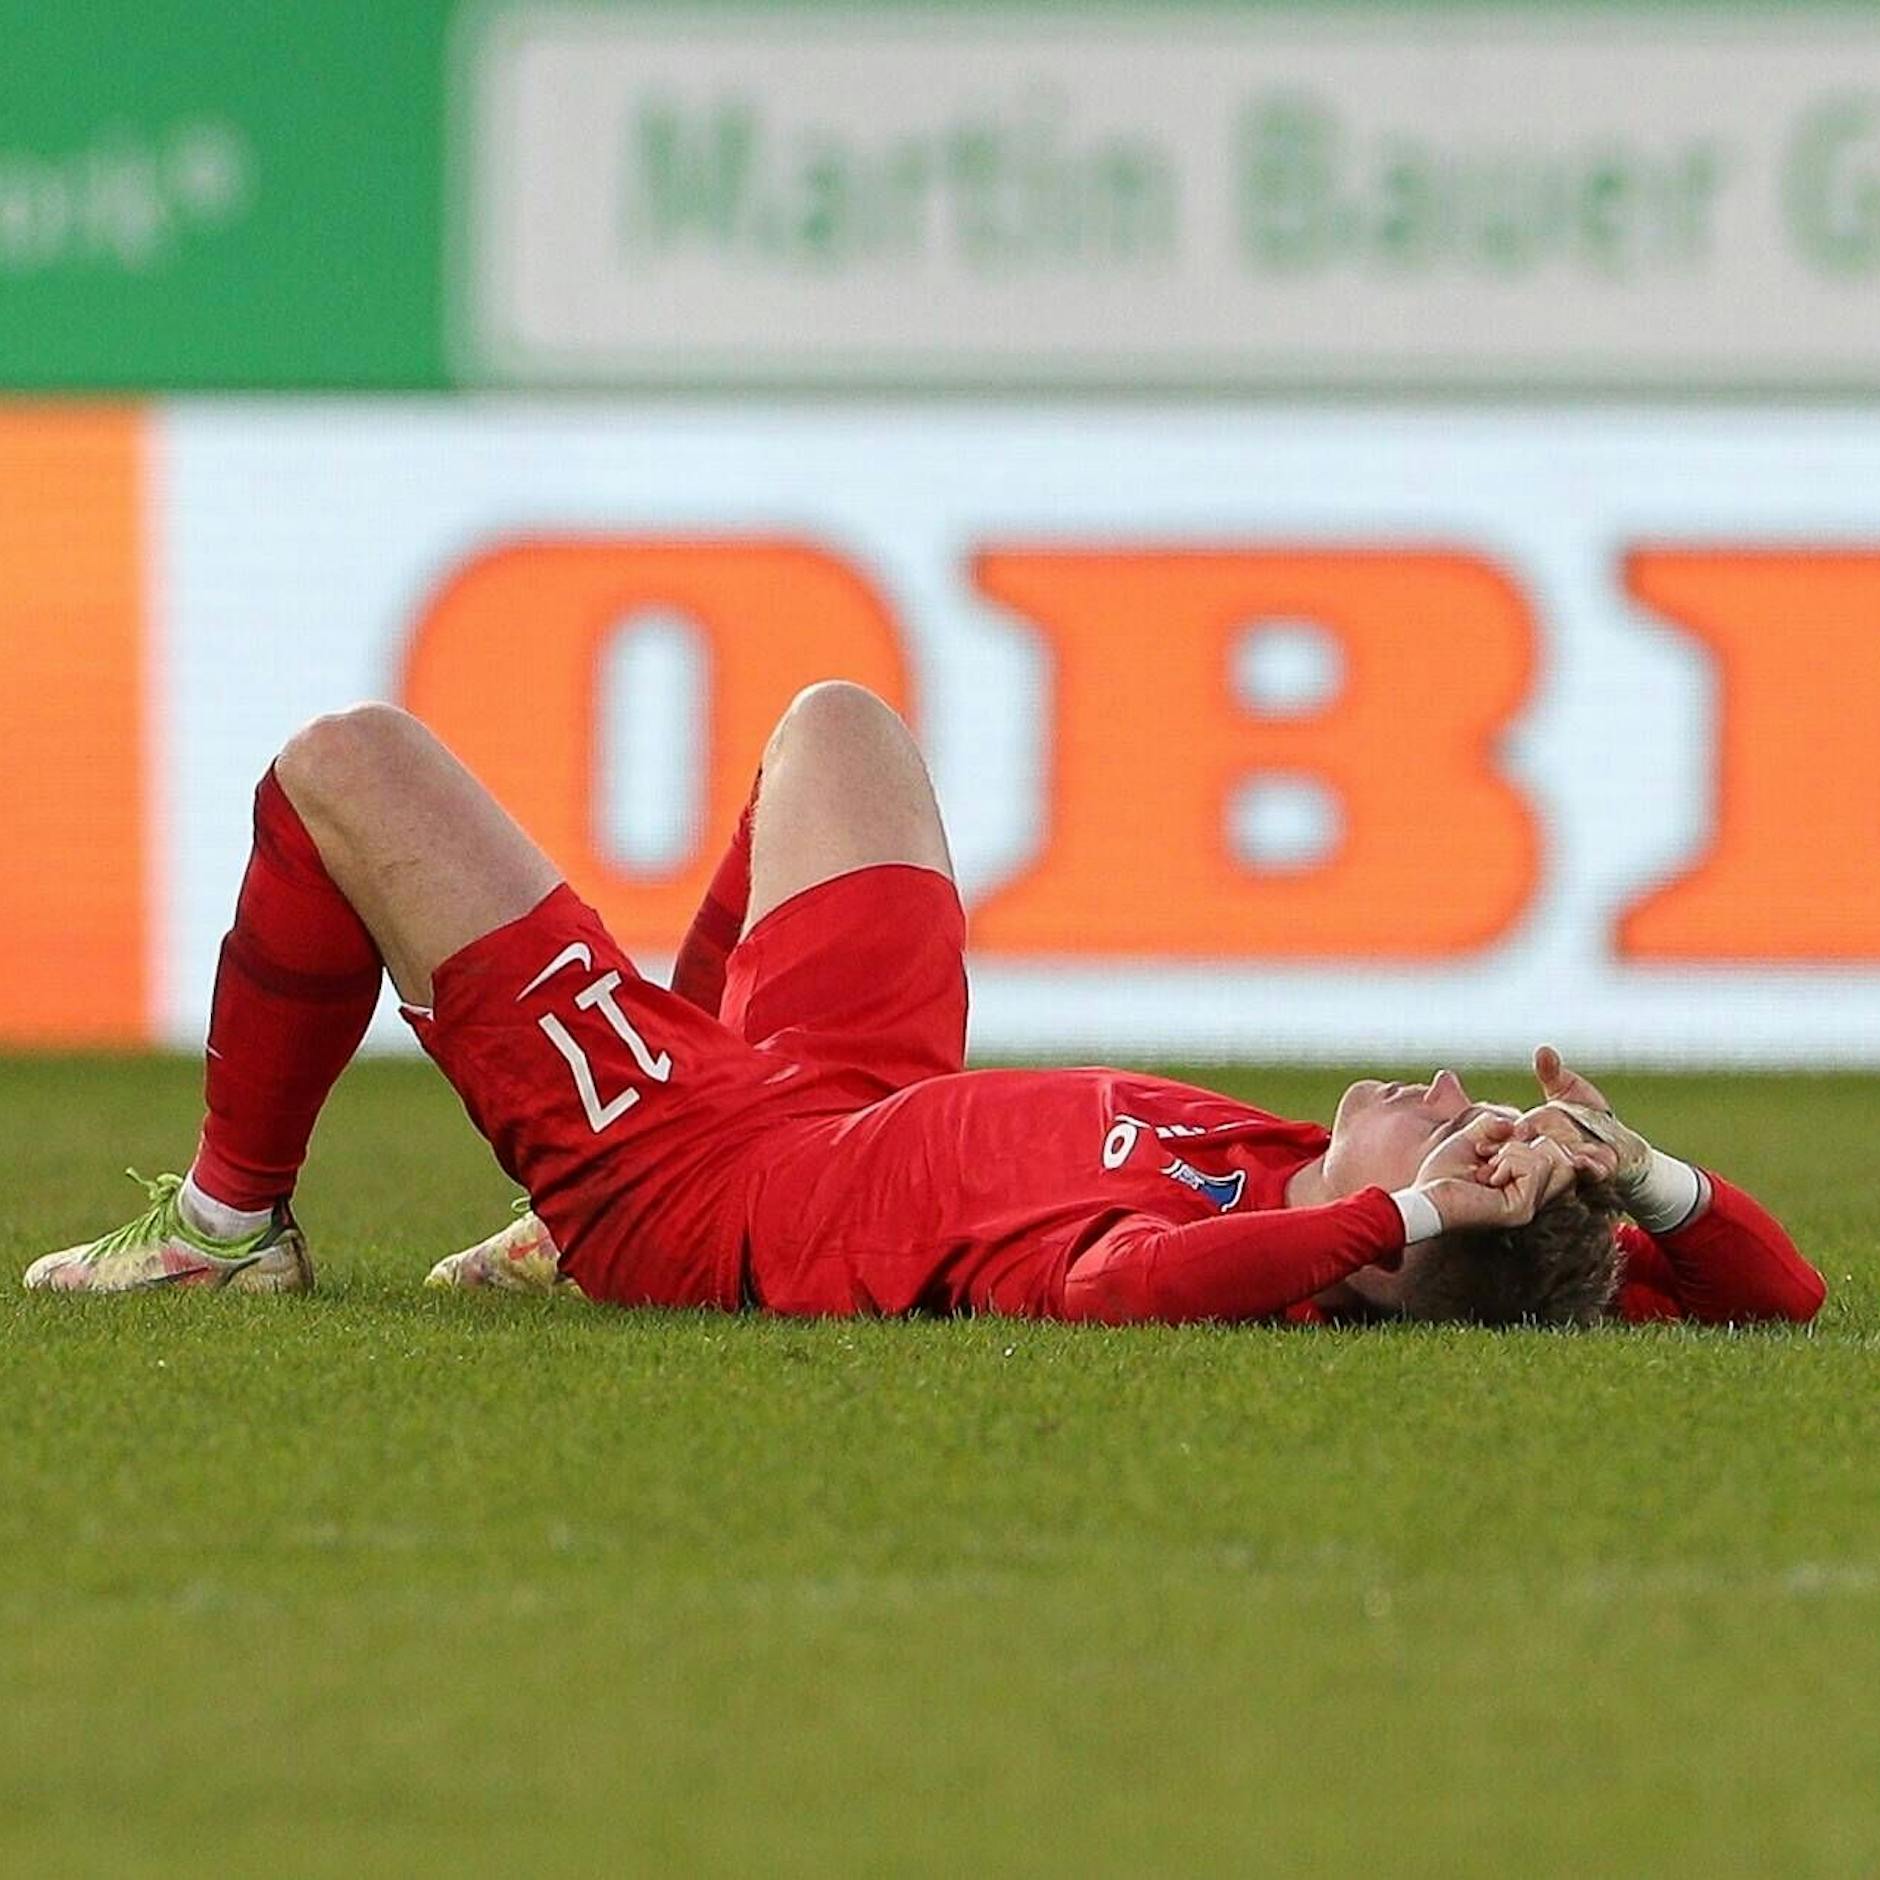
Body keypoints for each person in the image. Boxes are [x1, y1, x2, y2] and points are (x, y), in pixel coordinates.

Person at [25, 684, 1825, 1330]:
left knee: (343, 769)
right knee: (841, 726)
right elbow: (1788, 1297)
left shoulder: (1230, 1261)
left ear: (1392, 1241)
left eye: (1456, 1127)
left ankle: (224, 1227)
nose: (1448, 1087)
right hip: (849, 1085)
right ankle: (540, 1209)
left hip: (704, 1177)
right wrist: (1649, 1182)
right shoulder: (1464, 1252)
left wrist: (1422, 1206)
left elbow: (1139, 1283)